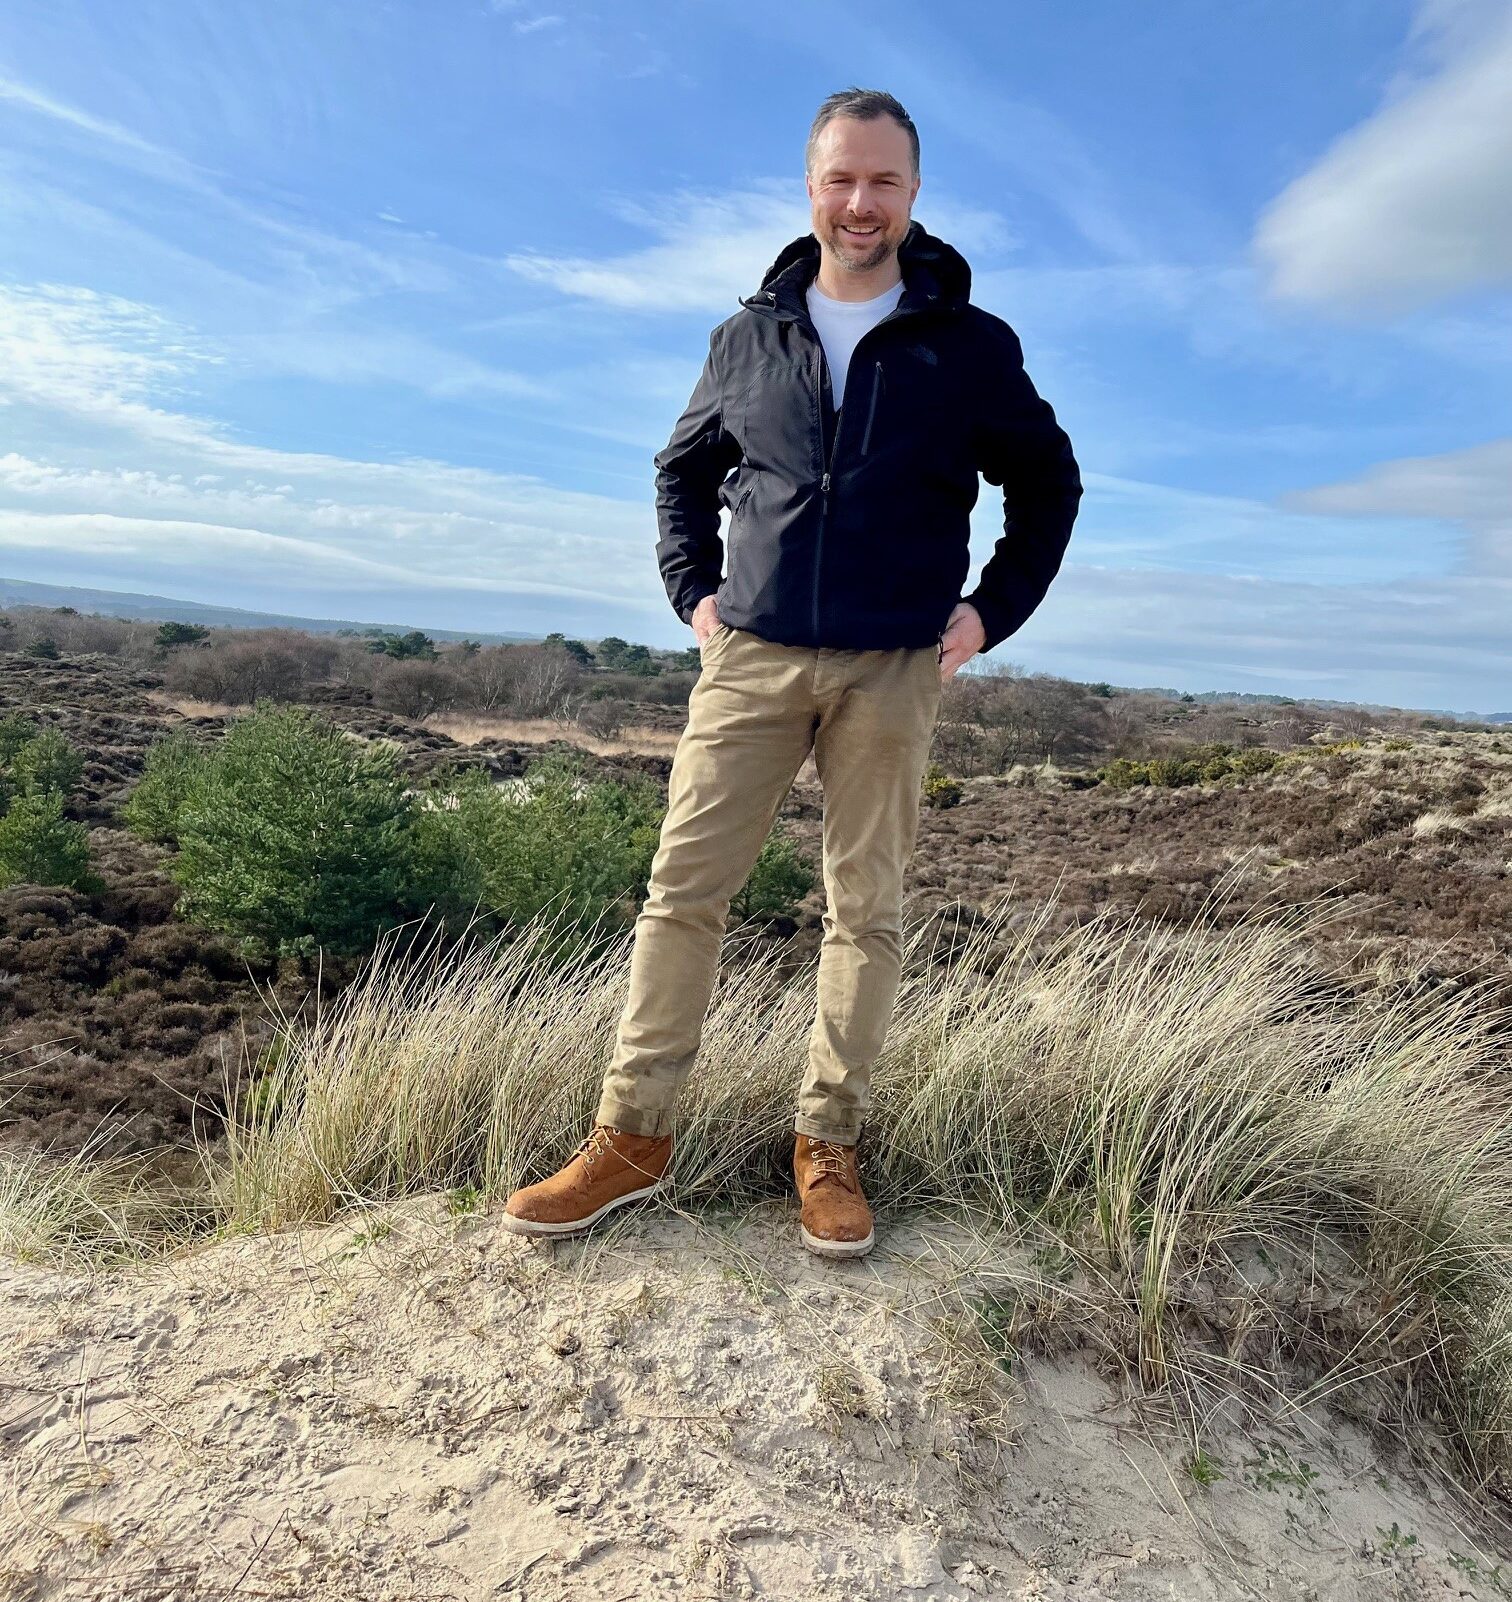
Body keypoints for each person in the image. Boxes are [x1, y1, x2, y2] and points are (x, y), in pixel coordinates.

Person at [503, 87, 1081, 1258]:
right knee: (683, 894)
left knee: (864, 914)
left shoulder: (970, 348)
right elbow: (680, 472)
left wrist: (986, 617)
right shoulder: (748, 336)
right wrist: (695, 595)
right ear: (809, 186)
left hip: (892, 667)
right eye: (840, 179)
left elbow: (1049, 486)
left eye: (883, 182)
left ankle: (828, 1146)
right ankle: (632, 1138)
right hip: (753, 656)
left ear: (914, 195)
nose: (859, 202)